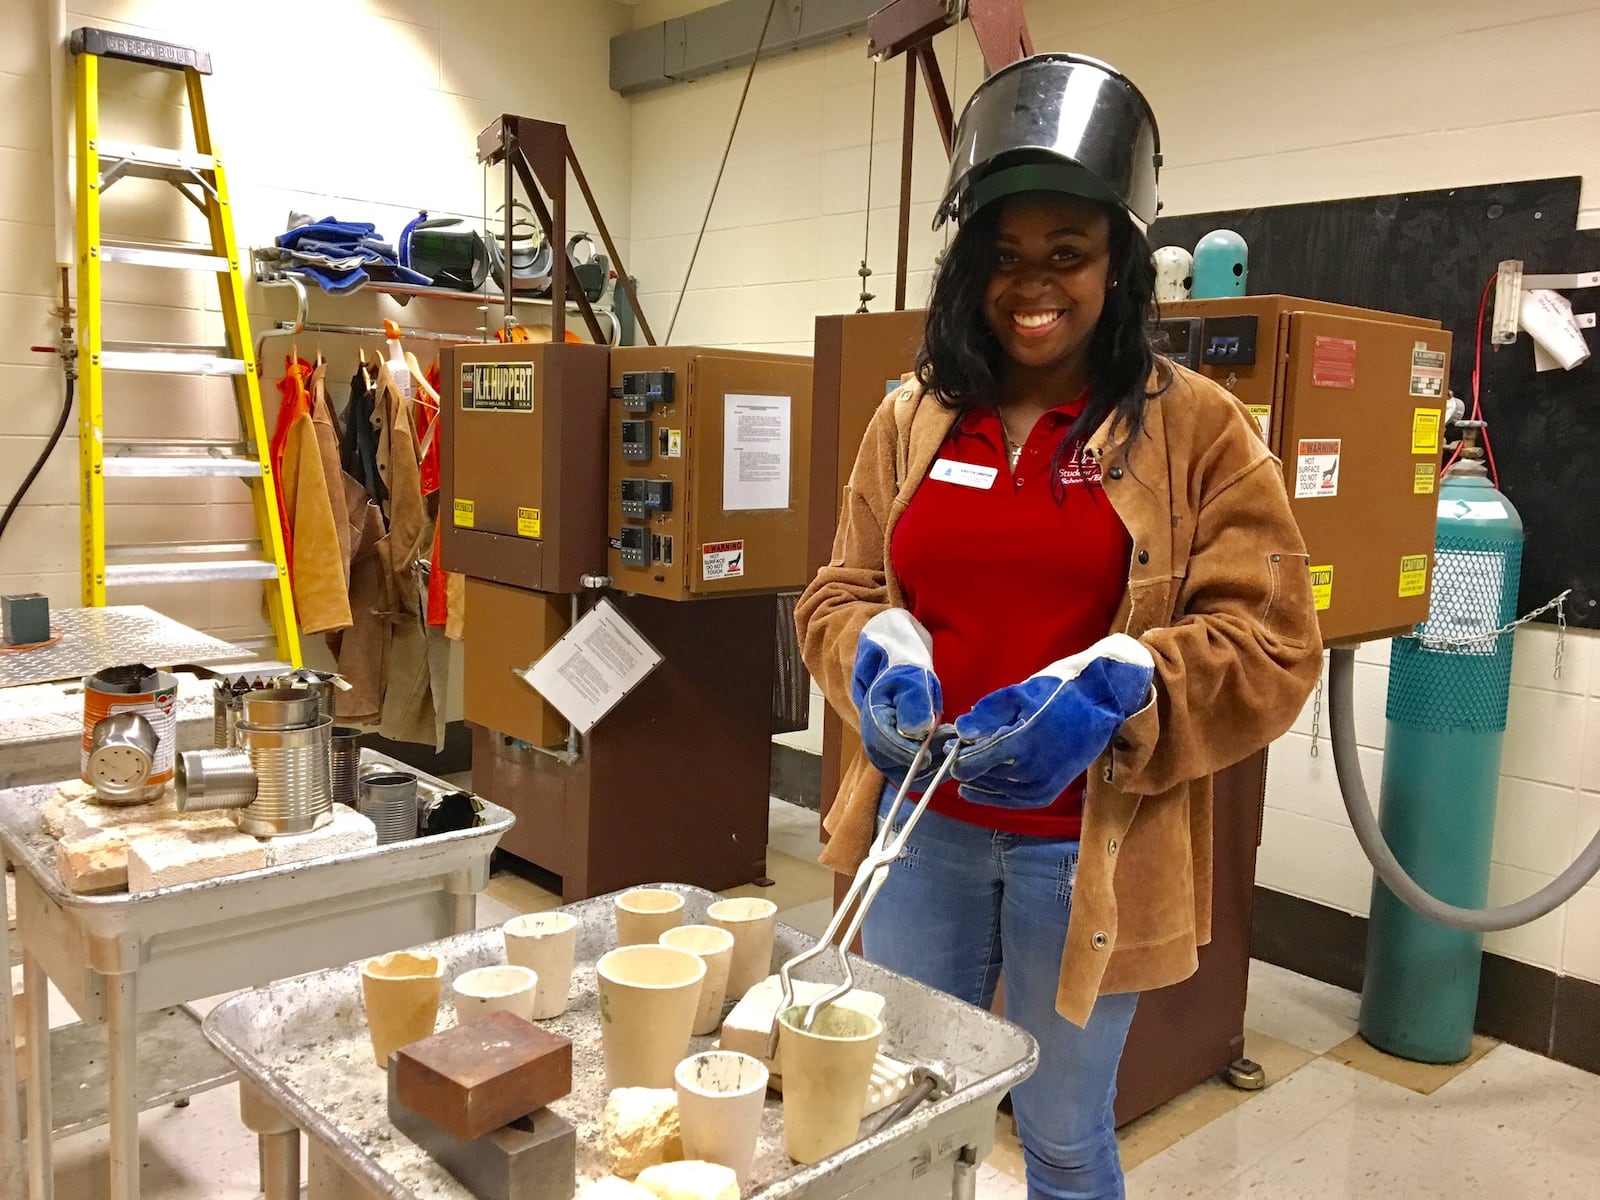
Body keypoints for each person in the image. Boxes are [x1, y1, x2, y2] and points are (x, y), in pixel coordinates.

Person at [795, 53, 1323, 1200]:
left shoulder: (1198, 430)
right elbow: (835, 594)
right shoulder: (912, 417)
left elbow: (1275, 642)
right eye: (1003, 257)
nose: (1031, 285)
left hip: (1084, 852)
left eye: (1067, 256)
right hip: (920, 824)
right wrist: (871, 655)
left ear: (1119, 265)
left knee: (1063, 1131)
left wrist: (1124, 688)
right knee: (910, 1110)